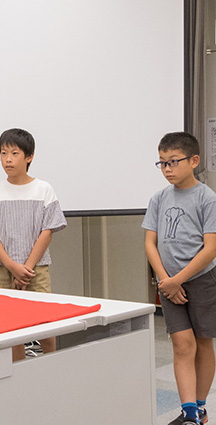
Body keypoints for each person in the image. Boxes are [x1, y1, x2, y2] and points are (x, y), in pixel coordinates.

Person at [143, 132, 216, 425]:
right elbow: (150, 242)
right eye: (161, 163)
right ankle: (188, 413)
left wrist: (179, 279)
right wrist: (166, 280)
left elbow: (210, 248)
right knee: (182, 344)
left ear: (194, 161)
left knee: (203, 342)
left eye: (173, 162)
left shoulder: (207, 198)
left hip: (201, 280)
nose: (167, 169)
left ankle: (200, 407)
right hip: (168, 282)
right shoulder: (158, 198)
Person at [0, 128, 67, 362]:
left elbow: (47, 232)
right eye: (3, 153)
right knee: (9, 325)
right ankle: (17, 370)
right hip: (1, 269)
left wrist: (26, 267)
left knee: (45, 321)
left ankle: (50, 365)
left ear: (29, 157)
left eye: (14, 153)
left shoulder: (44, 190)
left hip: (36, 268)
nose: (7, 159)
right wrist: (12, 266)